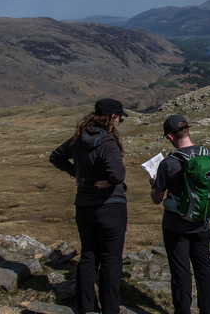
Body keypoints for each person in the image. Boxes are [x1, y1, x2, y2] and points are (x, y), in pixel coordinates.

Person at [50, 98, 128, 314]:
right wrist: (111, 182)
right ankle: (110, 309)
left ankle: (85, 308)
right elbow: (118, 174)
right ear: (112, 117)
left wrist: (77, 173)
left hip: (84, 206)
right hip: (110, 207)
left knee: (88, 256)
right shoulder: (108, 142)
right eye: (120, 117)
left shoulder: (78, 138)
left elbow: (56, 157)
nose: (120, 121)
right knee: (111, 260)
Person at [149, 114, 210, 314]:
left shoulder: (168, 164)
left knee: (181, 271)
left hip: (175, 226)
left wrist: (154, 185)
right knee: (204, 268)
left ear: (170, 137)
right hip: (202, 223)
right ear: (188, 131)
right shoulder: (209, 155)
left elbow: (157, 198)